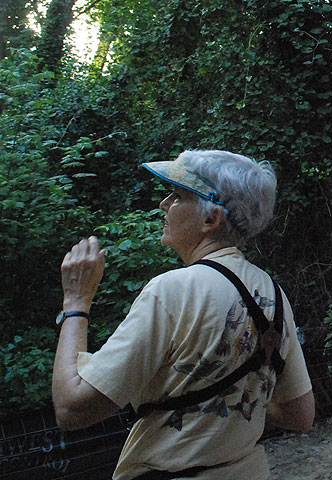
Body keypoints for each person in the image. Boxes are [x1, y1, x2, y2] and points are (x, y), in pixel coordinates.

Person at [52, 150, 315, 480]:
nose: (164, 204)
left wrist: (76, 303)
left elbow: (72, 408)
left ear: (210, 220)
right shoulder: (272, 293)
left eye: (177, 196)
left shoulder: (172, 291)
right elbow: (300, 414)